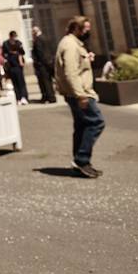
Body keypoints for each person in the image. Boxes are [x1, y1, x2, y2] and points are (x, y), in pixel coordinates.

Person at [55, 16, 105, 178]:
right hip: (80, 93)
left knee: (82, 126)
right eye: (86, 29)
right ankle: (81, 159)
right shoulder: (70, 45)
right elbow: (70, 73)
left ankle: (81, 163)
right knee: (96, 122)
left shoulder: (73, 43)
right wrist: (80, 95)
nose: (88, 32)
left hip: (77, 92)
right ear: (76, 28)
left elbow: (75, 66)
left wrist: (86, 59)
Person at [31, 27, 57, 103]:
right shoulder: (46, 38)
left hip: (42, 64)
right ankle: (52, 97)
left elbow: (40, 53)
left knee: (45, 82)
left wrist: (39, 62)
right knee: (49, 81)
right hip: (49, 62)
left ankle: (48, 97)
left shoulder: (38, 40)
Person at [3, 31, 29, 105]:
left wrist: (18, 53)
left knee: (21, 82)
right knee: (15, 83)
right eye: (13, 36)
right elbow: (4, 54)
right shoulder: (6, 44)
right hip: (11, 65)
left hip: (18, 65)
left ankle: (24, 97)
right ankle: (18, 98)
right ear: (10, 36)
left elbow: (22, 52)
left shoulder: (18, 43)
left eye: (15, 36)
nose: (14, 38)